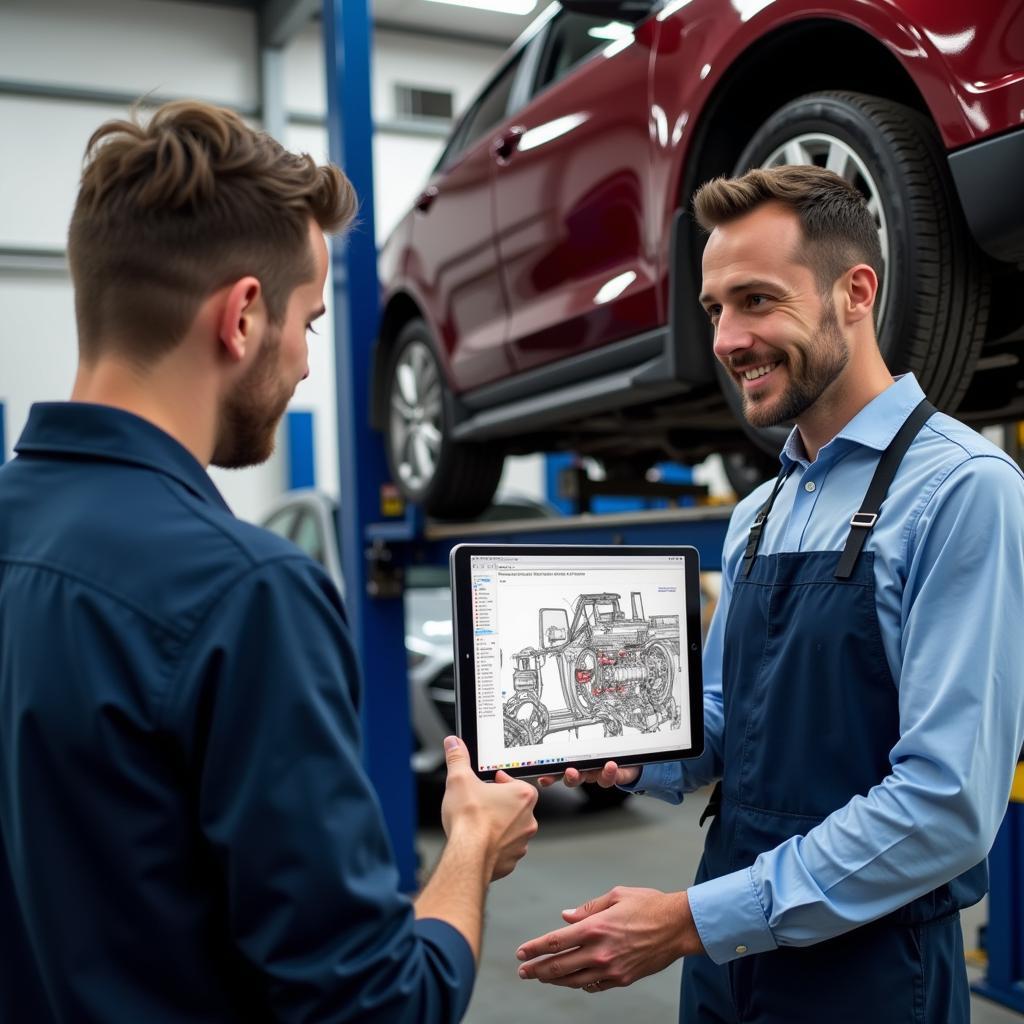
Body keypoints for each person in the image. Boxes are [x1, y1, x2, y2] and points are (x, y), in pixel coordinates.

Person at [0, 100, 538, 1024]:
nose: (302, 363)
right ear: (243, 316)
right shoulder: (246, 592)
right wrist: (469, 848)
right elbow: (377, 1008)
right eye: (311, 324)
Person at [515, 165, 1024, 1022]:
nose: (726, 338)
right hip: (727, 962)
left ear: (855, 291)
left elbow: (946, 806)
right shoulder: (761, 509)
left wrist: (688, 921)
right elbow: (729, 721)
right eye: (716, 308)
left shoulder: (965, 491)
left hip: (871, 974)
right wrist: (624, 740)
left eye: (756, 300)